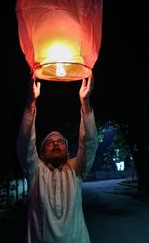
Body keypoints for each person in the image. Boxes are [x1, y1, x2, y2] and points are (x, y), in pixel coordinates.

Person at [17, 75, 98, 243]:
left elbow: (89, 143)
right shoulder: (36, 172)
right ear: (41, 154)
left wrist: (85, 102)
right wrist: (31, 102)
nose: (55, 144)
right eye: (49, 143)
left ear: (68, 152)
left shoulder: (76, 170)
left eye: (61, 142)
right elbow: (25, 145)